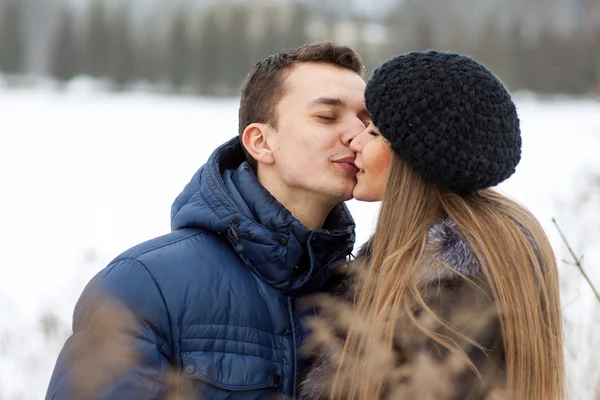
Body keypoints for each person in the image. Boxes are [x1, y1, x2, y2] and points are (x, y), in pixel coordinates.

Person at [45, 41, 371, 399]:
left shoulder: (368, 294)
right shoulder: (143, 285)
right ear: (261, 142)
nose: (357, 135)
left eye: (367, 120)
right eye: (327, 116)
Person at [299, 51, 565, 400]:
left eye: (375, 132)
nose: (356, 141)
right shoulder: (488, 249)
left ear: (415, 159)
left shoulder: (450, 292)